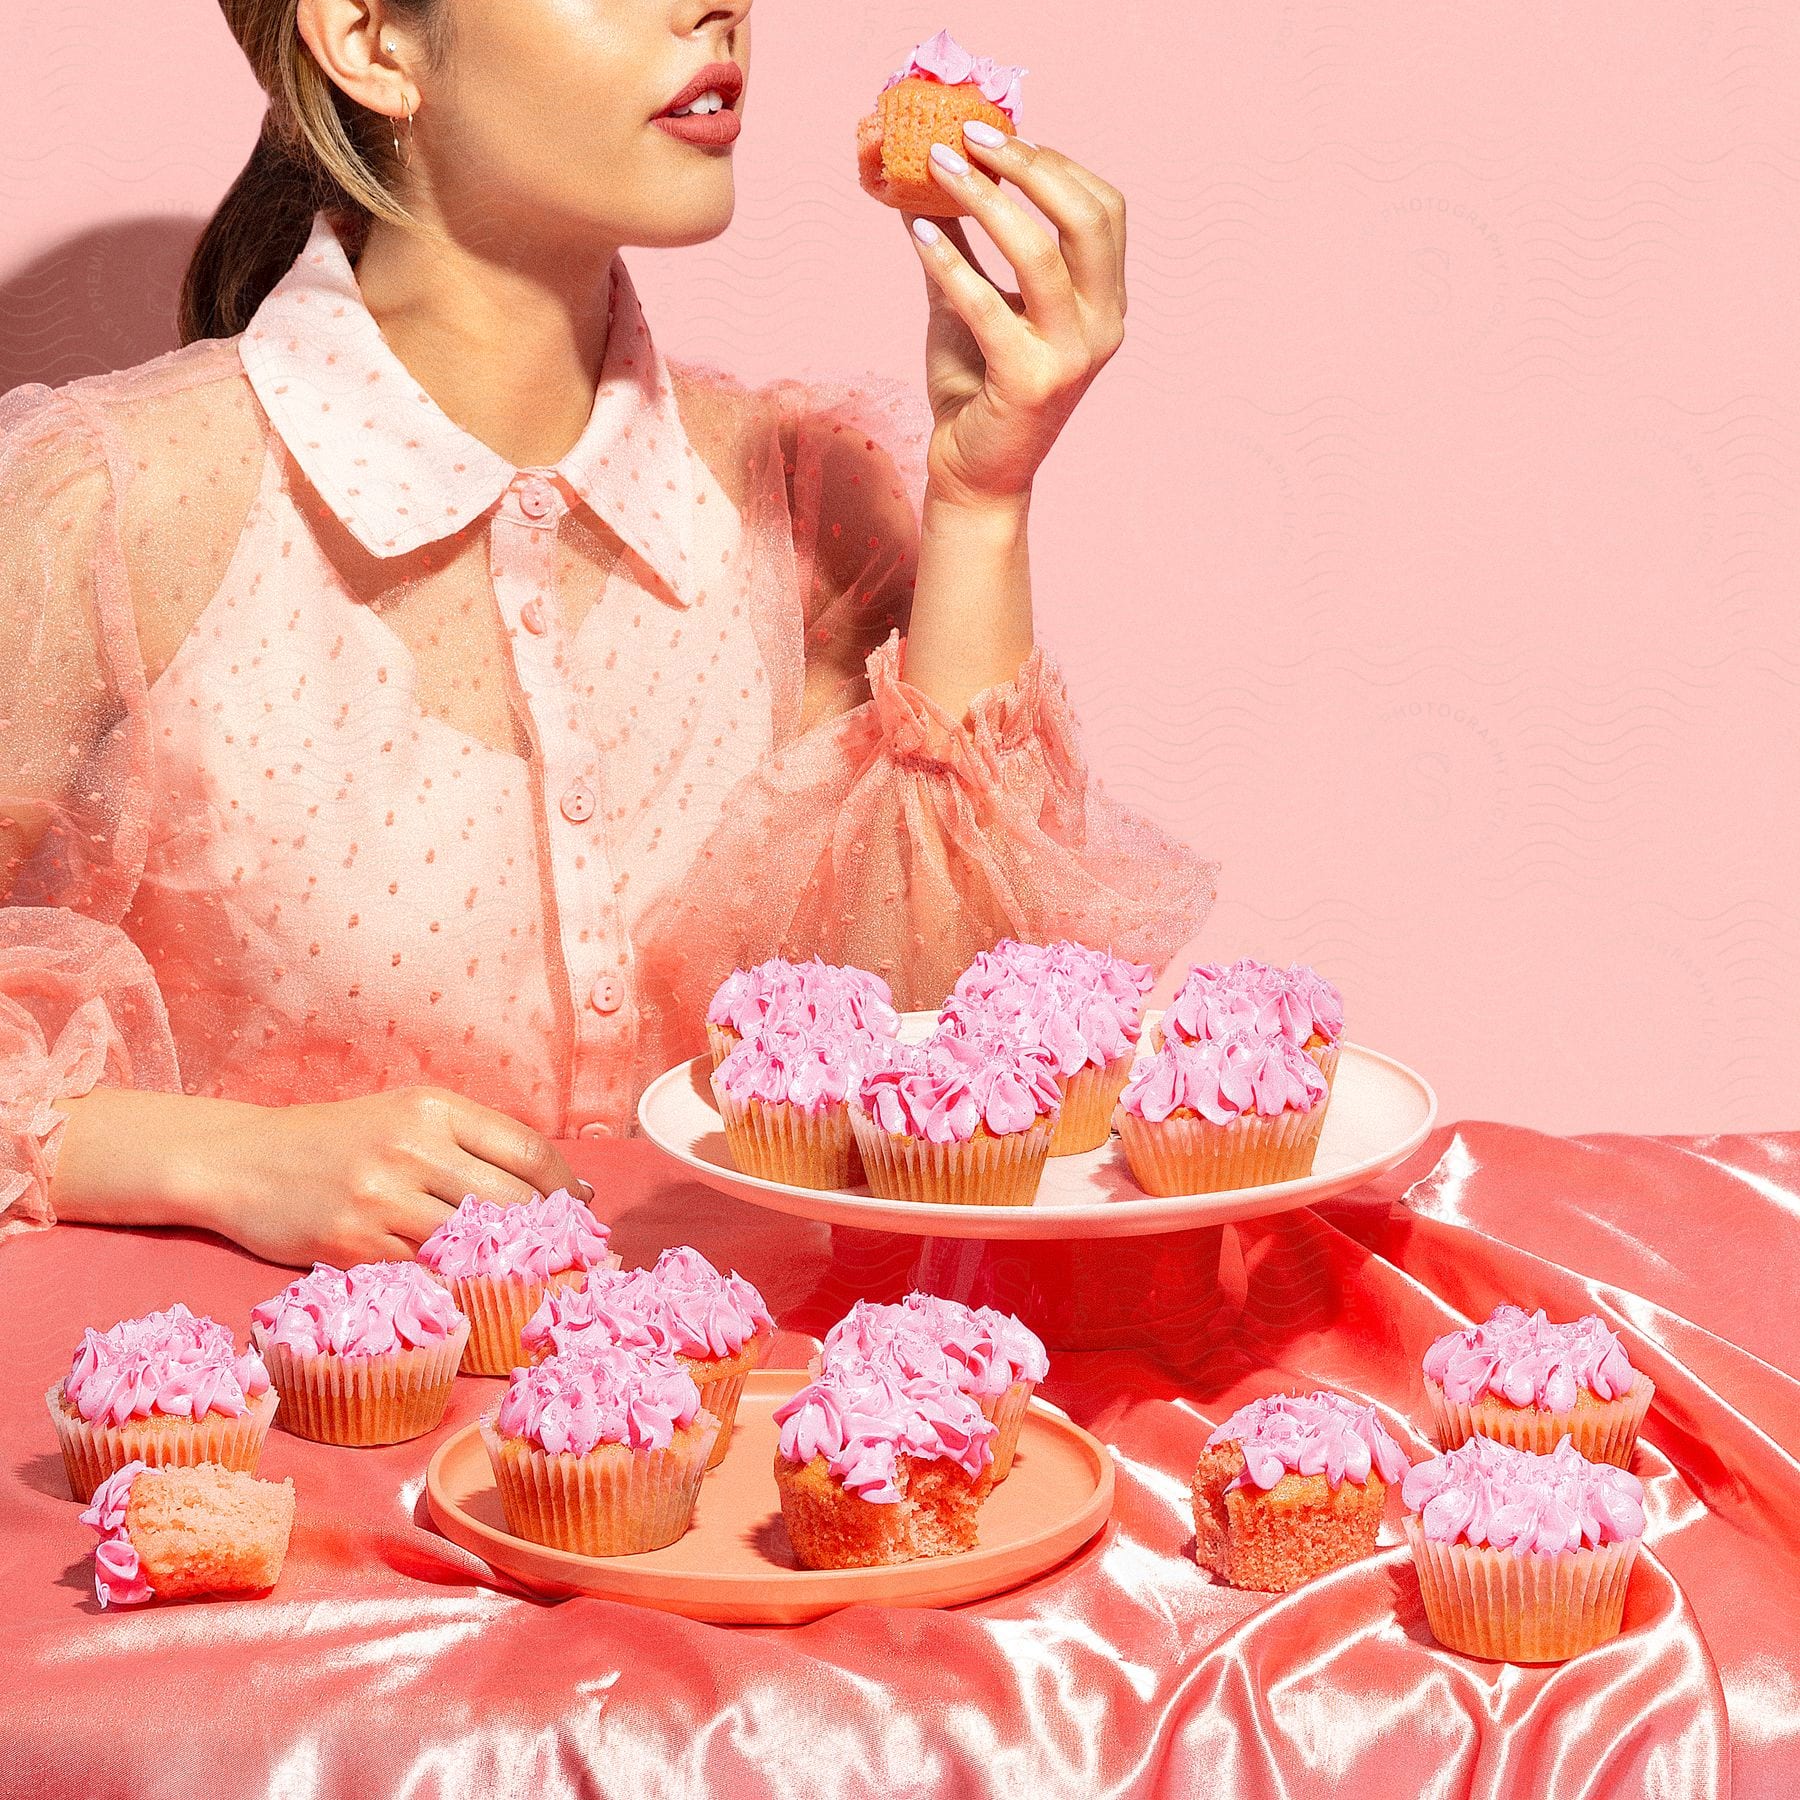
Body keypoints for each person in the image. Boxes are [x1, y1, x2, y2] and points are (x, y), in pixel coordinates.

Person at [0, 0, 1214, 1266]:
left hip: (745, 1435)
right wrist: (221, 1159)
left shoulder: (800, 502)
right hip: (291, 1445)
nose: (720, 6)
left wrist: (983, 501)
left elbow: (959, 1076)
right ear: (369, 39)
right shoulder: (110, 503)